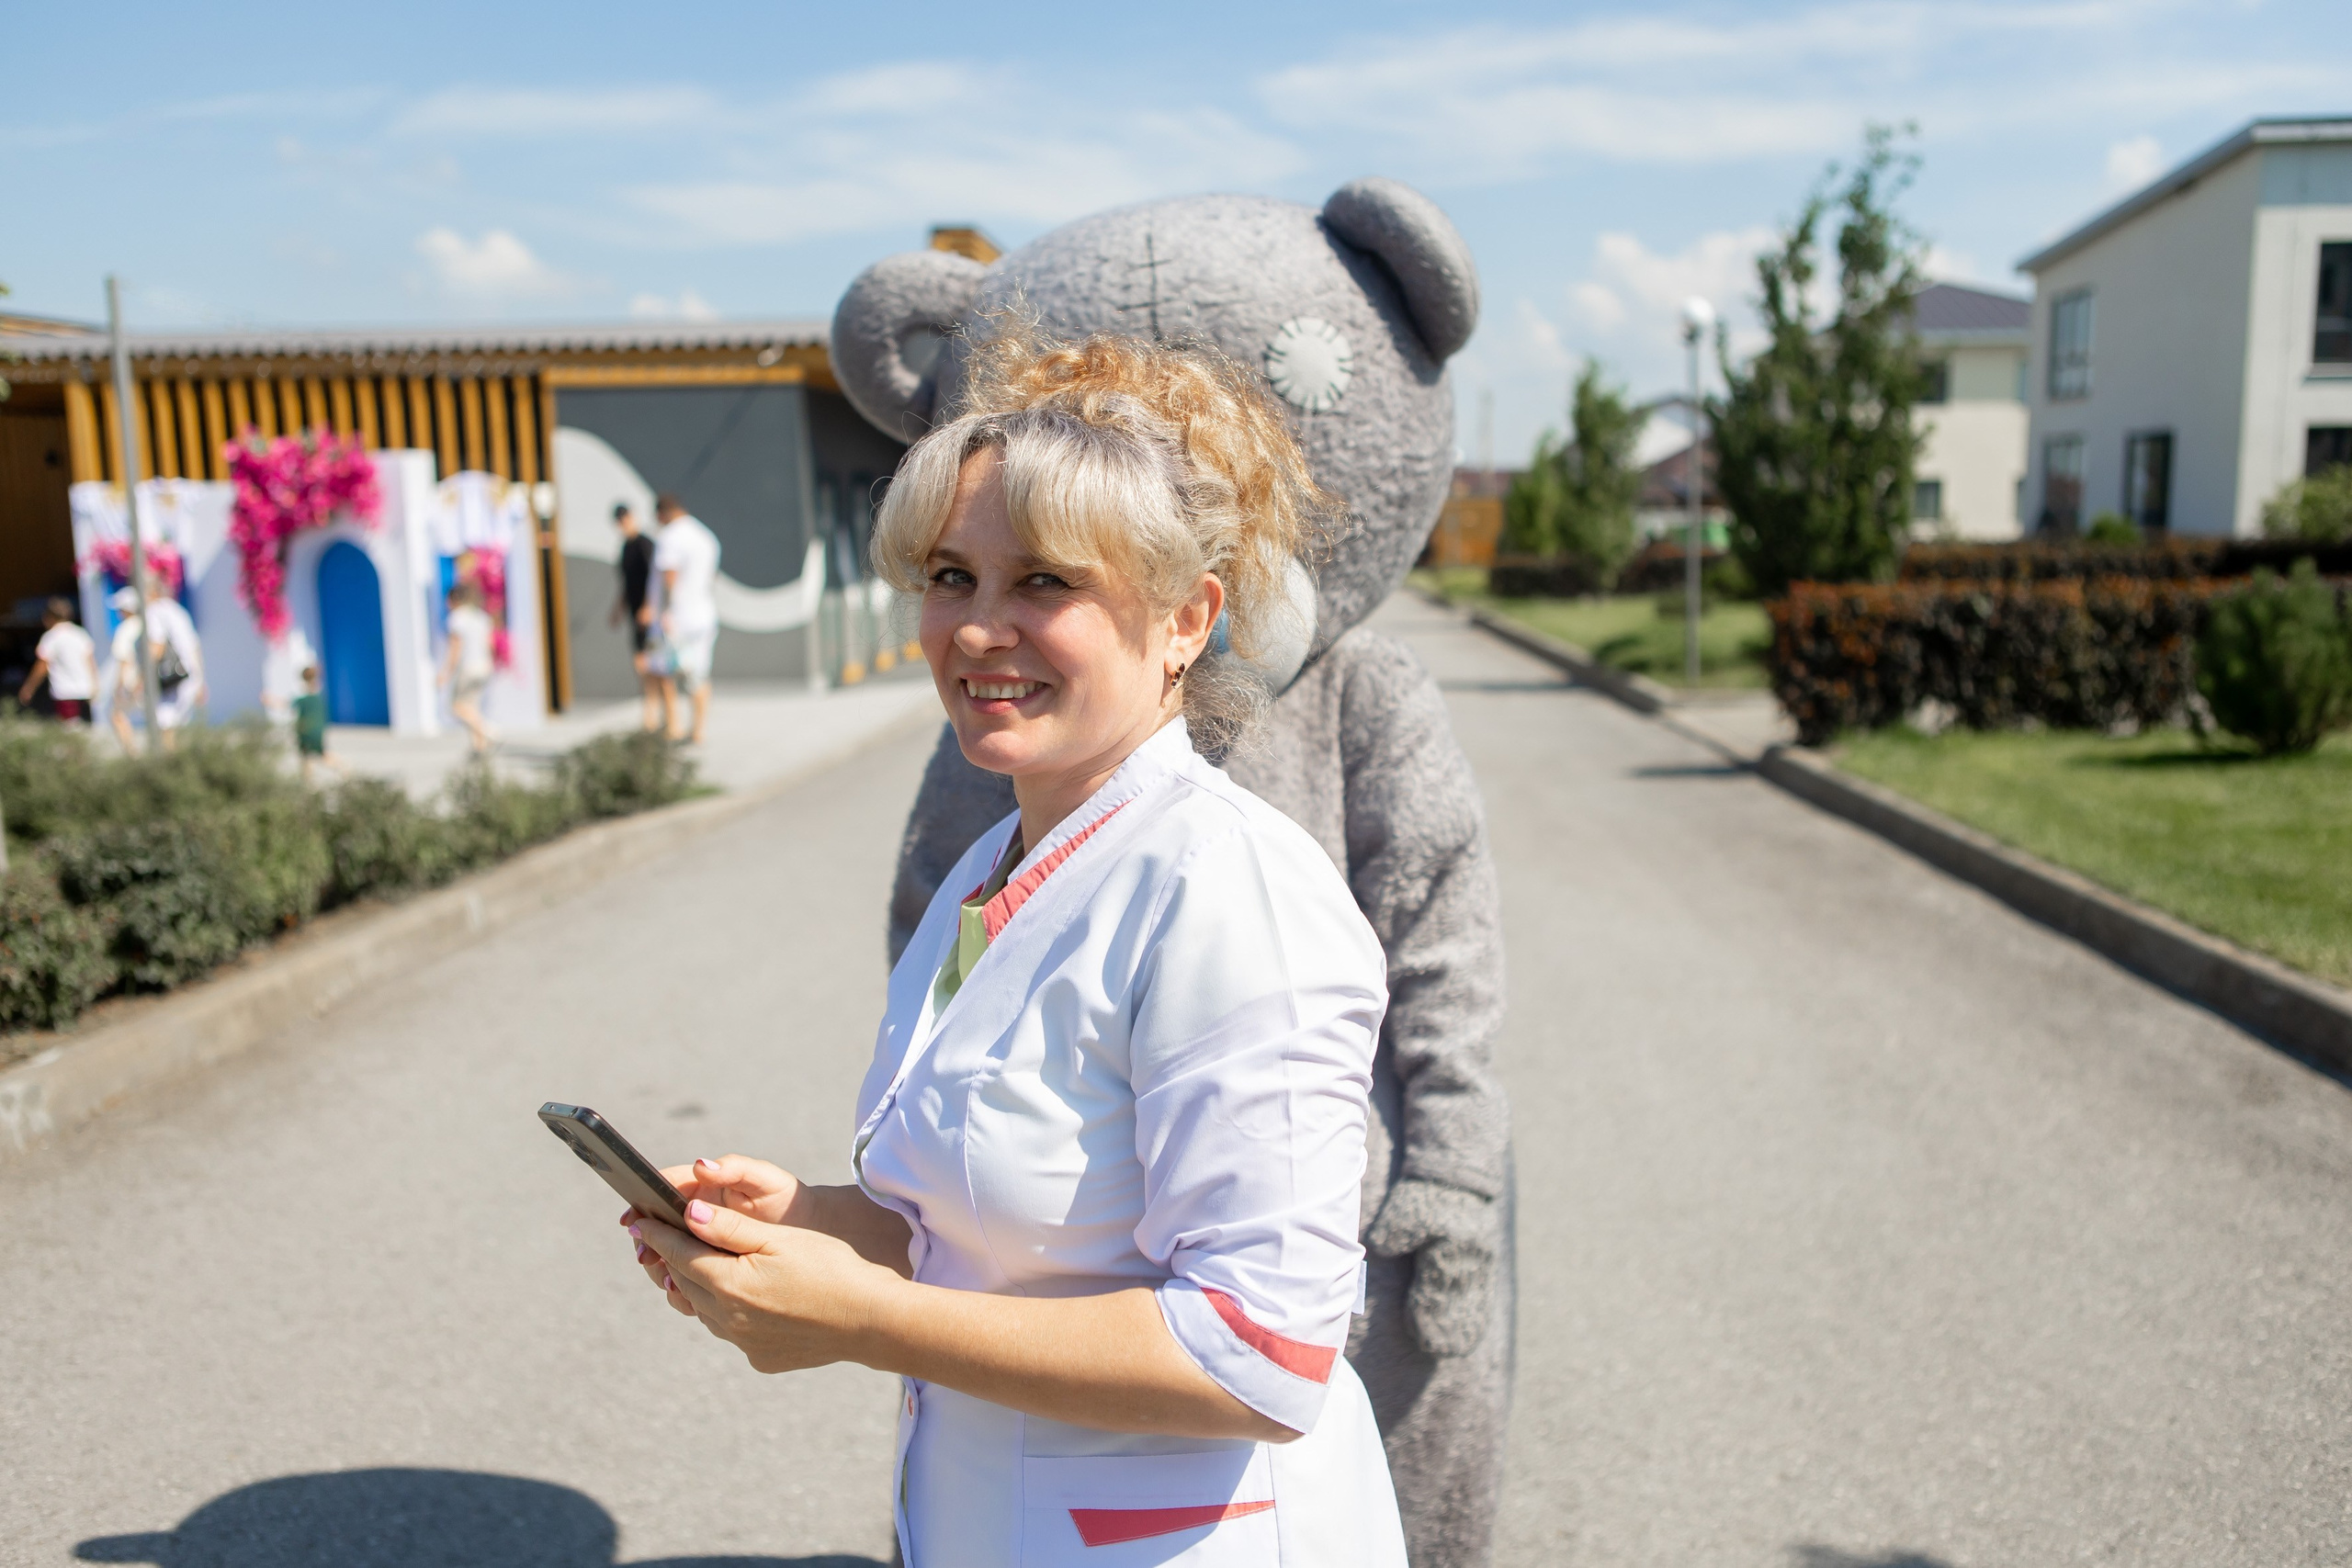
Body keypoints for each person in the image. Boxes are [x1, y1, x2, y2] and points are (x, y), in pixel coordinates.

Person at [622, 328, 1407, 1566]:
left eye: (1043, 581)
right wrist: (815, 1223)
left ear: (1187, 618)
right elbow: (1006, 1237)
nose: (980, 629)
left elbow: (1260, 1352)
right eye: (953, 575)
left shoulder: (1231, 892)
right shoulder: (994, 870)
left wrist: (866, 1318)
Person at [650, 493, 720, 744]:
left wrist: (665, 612)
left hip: (678, 617)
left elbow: (670, 578)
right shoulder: (706, 536)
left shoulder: (670, 537)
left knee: (663, 672)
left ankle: (673, 728)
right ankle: (698, 730)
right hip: (704, 613)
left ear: (663, 514)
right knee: (698, 674)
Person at [107, 582, 205, 754]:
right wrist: (201, 680)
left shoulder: (153, 613)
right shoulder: (177, 611)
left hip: (166, 679)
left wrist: (140, 680)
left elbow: (155, 648)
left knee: (162, 729)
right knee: (173, 729)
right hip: (184, 676)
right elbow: (194, 646)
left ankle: (138, 757)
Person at [608, 502, 662, 733]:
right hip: (635, 615)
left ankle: (659, 714)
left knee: (656, 664)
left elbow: (655, 579)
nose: (623, 524)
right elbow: (626, 584)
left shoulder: (645, 544)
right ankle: (650, 713)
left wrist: (649, 607)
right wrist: (618, 609)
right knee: (641, 664)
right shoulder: (625, 547)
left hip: (650, 617)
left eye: (625, 518)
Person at [18, 598, 96, 723]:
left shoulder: (51, 637)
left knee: (69, 729)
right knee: (84, 728)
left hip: (65, 692)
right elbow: (90, 661)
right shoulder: (80, 634)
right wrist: (95, 685)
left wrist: (29, 688)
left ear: (49, 617)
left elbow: (42, 666)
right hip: (85, 690)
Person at [440, 581, 496, 754]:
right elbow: (489, 644)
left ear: (454, 599)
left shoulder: (456, 618)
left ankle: (489, 731)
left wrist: (445, 673)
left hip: (468, 667)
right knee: (472, 707)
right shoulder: (481, 617)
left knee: (456, 707)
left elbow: (455, 649)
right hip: (485, 666)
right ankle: (480, 748)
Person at [290, 663, 339, 783]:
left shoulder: (307, 696)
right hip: (315, 729)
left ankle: (344, 769)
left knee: (315, 755)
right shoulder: (318, 694)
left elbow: (292, 705)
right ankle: (307, 781)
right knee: (308, 756)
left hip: (307, 730)